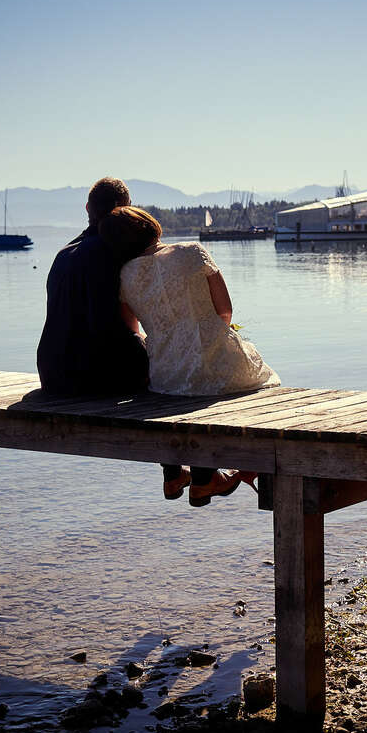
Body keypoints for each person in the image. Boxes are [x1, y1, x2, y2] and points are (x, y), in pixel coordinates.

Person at [98, 206, 280, 507]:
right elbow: (225, 311)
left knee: (185, 395)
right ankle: (207, 478)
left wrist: (169, 347)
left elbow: (133, 331)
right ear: (149, 225)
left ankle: (175, 476)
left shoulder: (126, 275)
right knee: (257, 382)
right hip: (211, 362)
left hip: (165, 375)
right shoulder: (192, 252)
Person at [37, 177, 149, 395]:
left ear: (88, 208)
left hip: (51, 373)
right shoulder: (115, 249)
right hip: (93, 374)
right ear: (126, 209)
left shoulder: (63, 254)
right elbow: (126, 325)